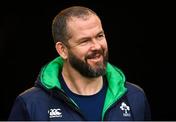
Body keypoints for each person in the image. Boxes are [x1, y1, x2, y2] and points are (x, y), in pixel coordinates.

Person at [8, 6, 151, 121]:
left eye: (100, 36)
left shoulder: (134, 97)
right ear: (62, 50)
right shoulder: (30, 104)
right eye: (85, 41)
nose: (97, 46)